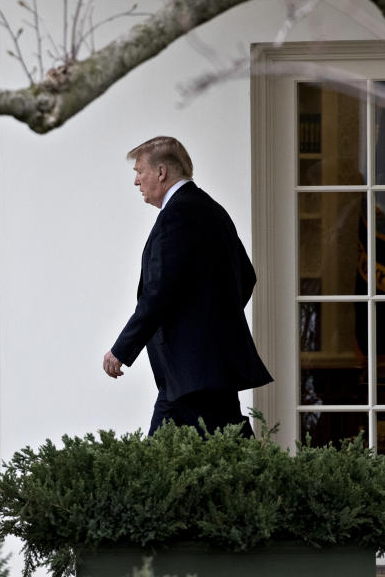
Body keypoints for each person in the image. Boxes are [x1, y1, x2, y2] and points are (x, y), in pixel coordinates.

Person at [102, 136, 273, 436]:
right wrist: (210, 322)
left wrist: (121, 350)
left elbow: (158, 294)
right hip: (197, 372)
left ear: (161, 173)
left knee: (169, 466)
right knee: (216, 457)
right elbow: (246, 276)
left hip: (193, 375)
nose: (136, 181)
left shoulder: (177, 215)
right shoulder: (212, 209)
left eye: (139, 171)